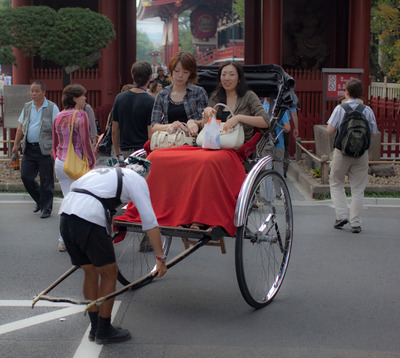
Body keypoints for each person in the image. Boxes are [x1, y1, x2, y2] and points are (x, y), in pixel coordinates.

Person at [118, 61, 269, 236]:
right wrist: (202, 117)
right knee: (160, 158)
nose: (227, 78)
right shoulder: (216, 97)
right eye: (224, 74)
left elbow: (265, 121)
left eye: (231, 74)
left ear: (239, 77)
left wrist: (240, 118)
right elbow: (204, 125)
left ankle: (203, 217)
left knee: (207, 162)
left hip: (235, 147)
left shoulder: (249, 96)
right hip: (212, 144)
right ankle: (169, 213)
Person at [59, 157, 167, 345]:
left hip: (66, 216)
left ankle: (95, 328)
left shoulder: (100, 173)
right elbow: (149, 221)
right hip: (88, 217)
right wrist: (160, 257)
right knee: (110, 273)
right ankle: (104, 329)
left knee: (90, 272)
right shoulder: (137, 179)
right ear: (144, 172)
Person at [327, 78, 378, 233]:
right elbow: (374, 133)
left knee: (336, 183)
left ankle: (341, 215)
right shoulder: (367, 110)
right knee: (357, 189)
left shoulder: (340, 108)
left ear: (346, 92)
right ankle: (355, 222)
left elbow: (330, 130)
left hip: (342, 153)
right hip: (361, 154)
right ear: (361, 94)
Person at [52, 84, 96, 251]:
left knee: (67, 200)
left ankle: (63, 240)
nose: (85, 99)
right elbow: (85, 143)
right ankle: (81, 239)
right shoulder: (81, 115)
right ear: (75, 98)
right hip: (77, 162)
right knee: (83, 201)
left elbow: (55, 144)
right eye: (83, 96)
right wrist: (92, 163)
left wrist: (58, 159)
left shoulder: (59, 116)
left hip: (61, 163)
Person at [12, 81, 59, 218]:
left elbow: (56, 129)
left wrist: (54, 148)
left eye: (37, 91)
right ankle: (40, 200)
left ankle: (46, 209)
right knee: (25, 176)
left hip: (45, 149)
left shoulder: (51, 107)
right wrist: (16, 144)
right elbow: (21, 127)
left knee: (46, 181)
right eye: (32, 91)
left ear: (44, 92)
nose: (34, 93)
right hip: (29, 148)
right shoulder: (27, 107)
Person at [151, 52, 208, 137]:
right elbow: (154, 126)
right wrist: (170, 126)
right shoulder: (162, 95)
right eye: (177, 71)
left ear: (190, 74)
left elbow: (205, 122)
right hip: (168, 142)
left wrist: (193, 122)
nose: (180, 75)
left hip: (193, 142)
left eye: (185, 72)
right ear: (171, 71)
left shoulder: (198, 92)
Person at [112, 61, 154, 159]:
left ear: (132, 76)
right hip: (142, 150)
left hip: (124, 150)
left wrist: (117, 153)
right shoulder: (150, 101)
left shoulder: (120, 98)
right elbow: (150, 134)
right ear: (149, 78)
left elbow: (115, 130)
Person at [262, 97, 291, 177]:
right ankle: (279, 189)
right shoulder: (280, 110)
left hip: (266, 143)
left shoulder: (262, 109)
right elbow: (287, 127)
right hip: (278, 143)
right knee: (278, 170)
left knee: (267, 170)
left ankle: (268, 190)